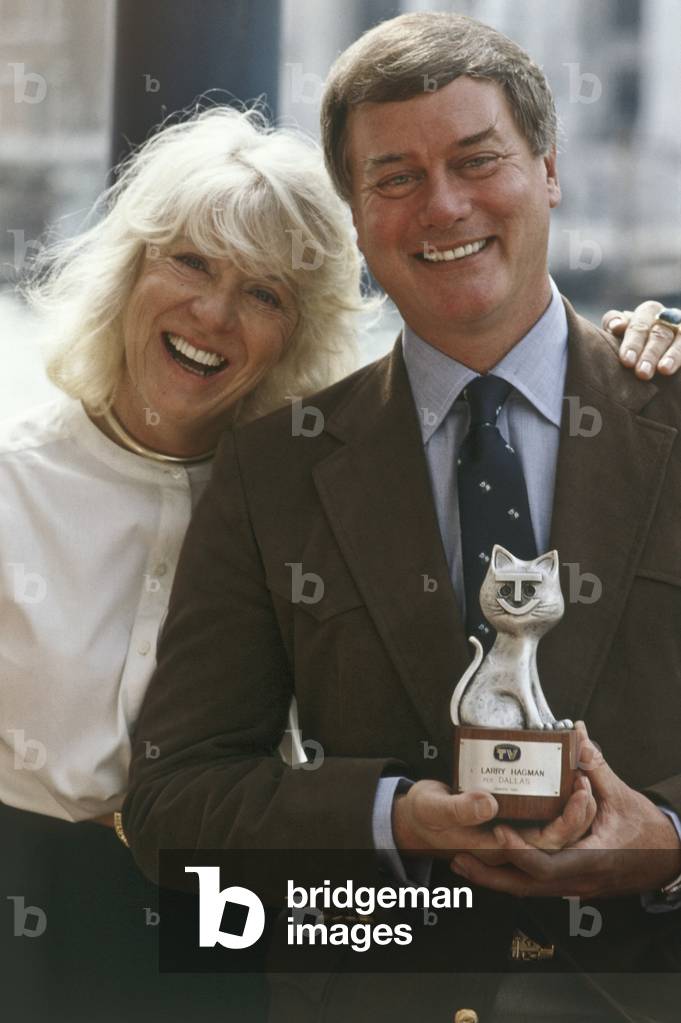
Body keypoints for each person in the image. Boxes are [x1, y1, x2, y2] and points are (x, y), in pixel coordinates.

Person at [123, 13, 681, 1023]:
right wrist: (392, 819)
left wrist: (671, 841)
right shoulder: (272, 470)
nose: (444, 206)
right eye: (396, 179)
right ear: (354, 211)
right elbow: (175, 803)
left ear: (549, 169)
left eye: (479, 161)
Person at [0, 105, 365, 1023]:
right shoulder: (11, 475)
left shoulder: (307, 510)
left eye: (265, 294)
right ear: (130, 270)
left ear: (298, 333)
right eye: (192, 262)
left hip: (216, 935)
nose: (213, 313)